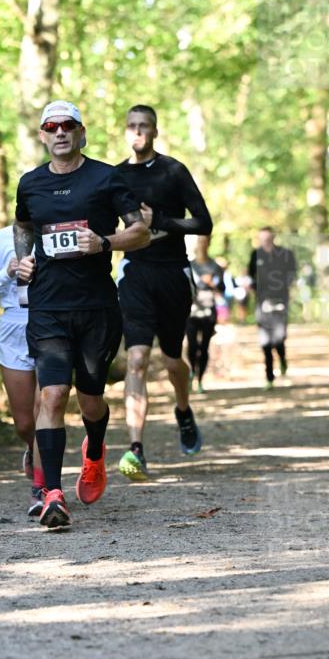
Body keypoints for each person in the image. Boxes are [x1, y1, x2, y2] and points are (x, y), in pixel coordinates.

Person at [13, 100, 149, 532]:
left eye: (67, 126)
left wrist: (105, 243)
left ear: (80, 132)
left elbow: (141, 231)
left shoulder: (106, 177)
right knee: (52, 396)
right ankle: (53, 493)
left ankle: (94, 450)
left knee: (90, 397)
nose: (59, 133)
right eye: (51, 127)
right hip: (48, 307)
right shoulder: (30, 183)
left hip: (96, 309)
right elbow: (22, 228)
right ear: (42, 136)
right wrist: (22, 261)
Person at [115, 105, 213, 482]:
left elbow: (204, 221)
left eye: (144, 126)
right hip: (134, 273)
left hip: (173, 274)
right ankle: (136, 448)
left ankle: (183, 409)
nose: (138, 132)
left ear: (155, 131)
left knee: (173, 360)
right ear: (126, 132)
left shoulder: (173, 170)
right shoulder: (117, 177)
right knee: (137, 359)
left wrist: (162, 222)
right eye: (132, 126)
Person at [0, 225, 46, 518]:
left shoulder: (57, 229)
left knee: (48, 407)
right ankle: (32, 447)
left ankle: (41, 487)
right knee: (24, 423)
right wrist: (6, 272)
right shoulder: (3, 238)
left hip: (52, 323)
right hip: (13, 327)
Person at [247, 226, 297, 389]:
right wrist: (253, 288)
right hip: (262, 303)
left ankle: (282, 360)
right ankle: (269, 377)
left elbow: (292, 274)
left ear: (273, 237)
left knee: (279, 338)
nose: (266, 241)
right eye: (263, 238)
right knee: (265, 342)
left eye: (268, 238)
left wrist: (284, 287)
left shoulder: (285, 254)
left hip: (281, 301)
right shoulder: (255, 255)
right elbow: (250, 276)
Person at [186, 235, 225, 392]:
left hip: (209, 312)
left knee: (204, 347)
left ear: (208, 243)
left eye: (205, 241)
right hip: (192, 312)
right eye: (200, 241)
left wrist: (211, 284)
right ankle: (191, 372)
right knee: (192, 346)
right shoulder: (190, 265)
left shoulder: (215, 267)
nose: (202, 244)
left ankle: (200, 379)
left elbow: (222, 290)